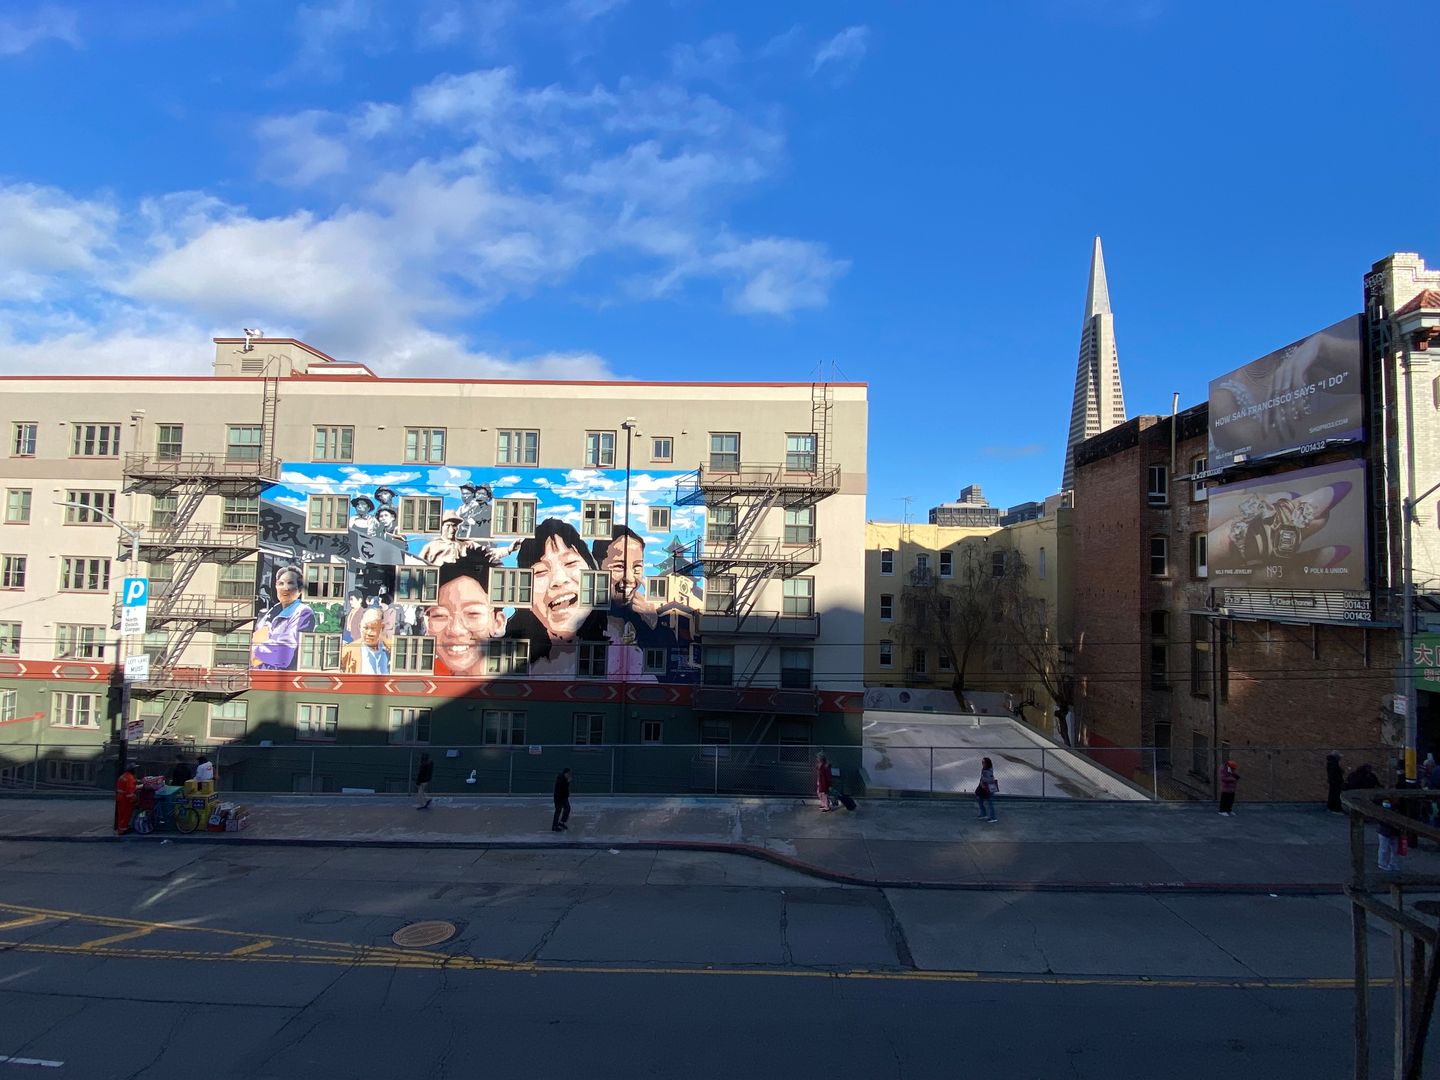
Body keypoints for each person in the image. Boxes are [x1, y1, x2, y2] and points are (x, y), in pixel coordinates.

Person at [430, 551, 507, 677]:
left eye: (472, 613)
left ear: (498, 623)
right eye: (439, 615)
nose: (455, 630)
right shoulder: (422, 678)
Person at [251, 565, 316, 670]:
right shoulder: (269, 614)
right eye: (281, 583)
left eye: (290, 583)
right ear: (276, 587)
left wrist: (255, 651)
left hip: (285, 677)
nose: (285, 588)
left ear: (300, 589)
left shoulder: (303, 612)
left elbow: (283, 655)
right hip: (259, 675)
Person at [340, 607, 391, 674]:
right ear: (360, 626)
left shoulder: (389, 650)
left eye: (373, 628)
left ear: (382, 627)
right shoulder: (348, 651)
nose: (369, 633)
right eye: (365, 628)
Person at [1378, 800, 1402, 872]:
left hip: (1393, 830)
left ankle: (1392, 864)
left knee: (1394, 849)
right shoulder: (1387, 803)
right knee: (1384, 848)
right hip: (1385, 829)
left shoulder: (1397, 806)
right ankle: (1382, 864)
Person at [114, 765, 137, 834]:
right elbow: (129, 790)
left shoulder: (122, 776)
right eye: (134, 769)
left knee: (121, 814)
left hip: (120, 797)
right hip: (125, 799)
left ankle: (121, 828)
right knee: (126, 814)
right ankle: (123, 830)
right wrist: (133, 799)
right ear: (132, 770)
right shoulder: (130, 778)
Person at [976, 757, 998, 822]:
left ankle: (993, 817)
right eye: (982, 762)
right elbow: (982, 778)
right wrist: (981, 783)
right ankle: (983, 814)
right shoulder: (984, 769)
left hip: (988, 789)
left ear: (987, 763)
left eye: (984, 762)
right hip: (983, 788)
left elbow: (989, 779)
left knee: (990, 802)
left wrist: (983, 784)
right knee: (980, 800)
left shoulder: (988, 771)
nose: (982, 763)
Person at [552, 767, 572, 832]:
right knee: (558, 811)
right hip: (559, 797)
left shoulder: (565, 779)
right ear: (565, 773)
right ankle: (554, 826)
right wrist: (567, 782)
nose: (569, 775)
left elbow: (565, 789)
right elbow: (562, 789)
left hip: (564, 797)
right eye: (568, 774)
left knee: (567, 808)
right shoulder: (560, 779)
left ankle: (561, 822)